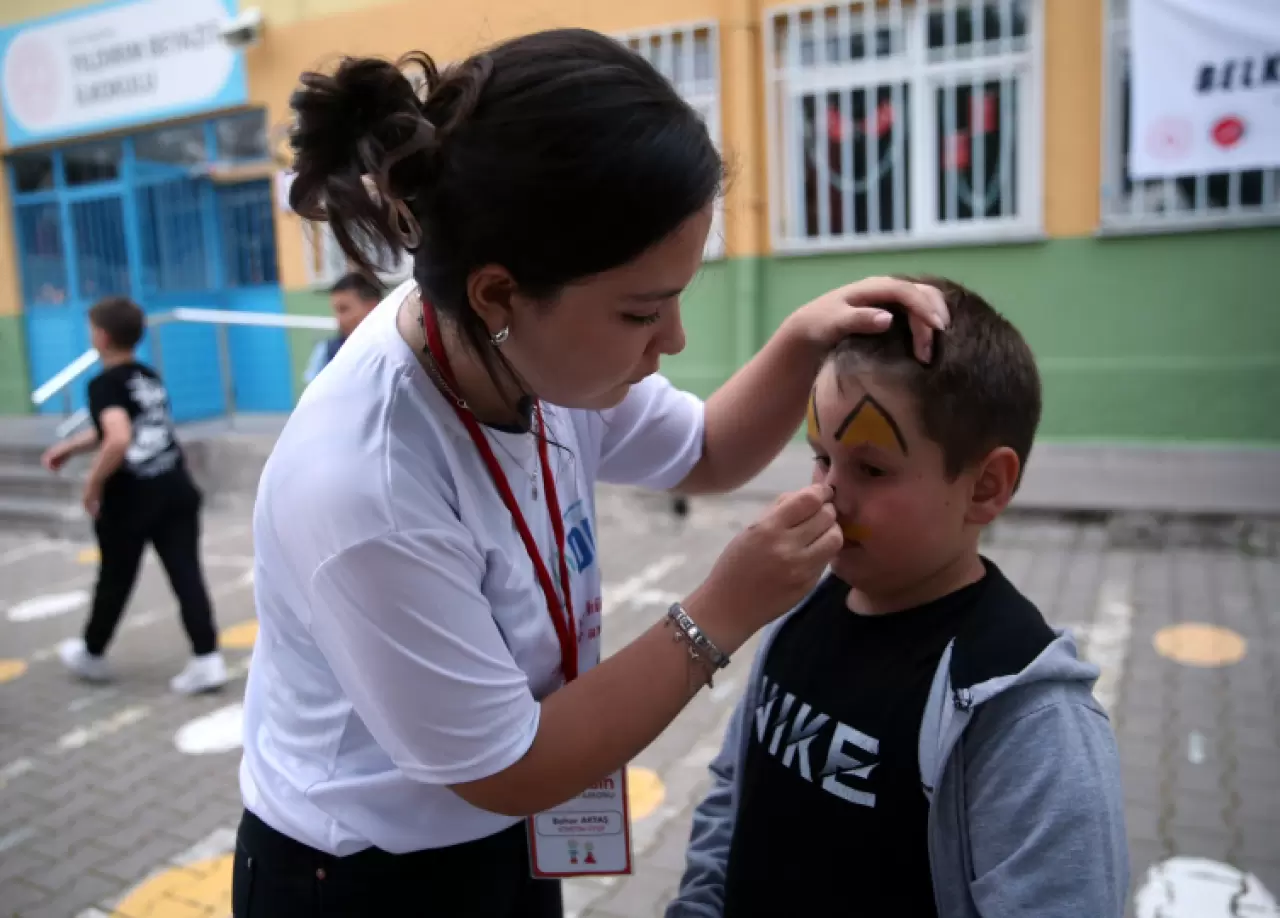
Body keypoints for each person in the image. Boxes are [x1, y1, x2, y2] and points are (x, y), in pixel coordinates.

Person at [232, 29, 948, 918]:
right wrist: (723, 608)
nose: (672, 340)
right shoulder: (366, 485)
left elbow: (705, 450)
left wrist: (804, 337)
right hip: (364, 878)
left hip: (504, 828)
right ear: (498, 295)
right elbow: (510, 768)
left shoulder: (514, 349)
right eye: (642, 312)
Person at [666, 278, 1130, 918]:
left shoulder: (1023, 716)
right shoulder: (802, 610)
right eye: (821, 457)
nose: (826, 494)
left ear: (985, 487)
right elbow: (733, 792)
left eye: (871, 468)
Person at [41, 296, 227, 695]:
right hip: (175, 488)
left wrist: (92, 484)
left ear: (101, 337)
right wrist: (70, 447)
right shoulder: (146, 376)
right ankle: (207, 657)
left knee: (115, 577)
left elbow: (119, 437)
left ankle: (92, 652)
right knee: (186, 574)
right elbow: (124, 426)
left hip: (132, 499)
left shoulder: (104, 383)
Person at [301, 271, 384, 385]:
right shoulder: (327, 352)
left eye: (344, 309)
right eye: (336, 311)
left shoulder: (399, 349)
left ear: (372, 307)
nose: (339, 319)